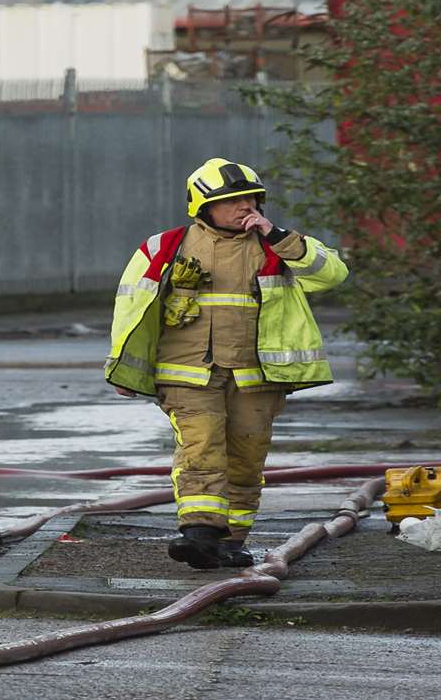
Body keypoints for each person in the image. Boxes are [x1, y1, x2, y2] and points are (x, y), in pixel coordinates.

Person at [107, 158, 348, 570]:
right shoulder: (165, 247)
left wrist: (279, 236)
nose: (245, 207)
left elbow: (331, 274)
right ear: (203, 206)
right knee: (201, 447)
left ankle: (230, 542)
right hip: (187, 374)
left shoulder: (277, 245)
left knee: (246, 457)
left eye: (251, 199)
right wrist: (123, 368)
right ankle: (199, 531)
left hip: (257, 377)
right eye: (233, 201)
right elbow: (131, 306)